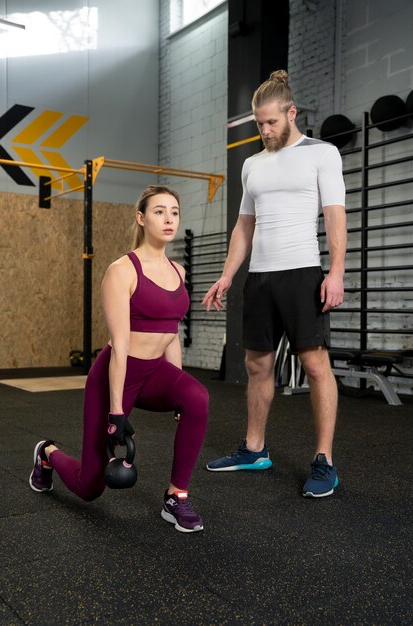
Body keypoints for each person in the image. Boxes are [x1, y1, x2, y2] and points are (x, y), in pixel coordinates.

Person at [29, 185, 208, 532]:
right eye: (159, 211)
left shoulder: (178, 271)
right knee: (90, 486)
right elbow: (120, 346)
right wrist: (116, 413)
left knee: (197, 397)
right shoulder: (122, 270)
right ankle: (47, 453)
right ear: (141, 218)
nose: (169, 218)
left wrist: (178, 389)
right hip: (115, 377)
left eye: (174, 211)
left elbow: (171, 335)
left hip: (155, 372)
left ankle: (177, 497)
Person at [202, 70, 347, 498]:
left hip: (302, 272)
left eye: (271, 122)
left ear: (291, 112)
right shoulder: (252, 165)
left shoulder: (323, 154)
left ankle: (324, 461)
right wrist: (228, 274)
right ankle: (254, 449)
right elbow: (244, 226)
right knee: (257, 365)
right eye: (258, 124)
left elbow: (335, 215)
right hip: (260, 277)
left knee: (316, 365)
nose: (264, 131)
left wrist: (335, 271)